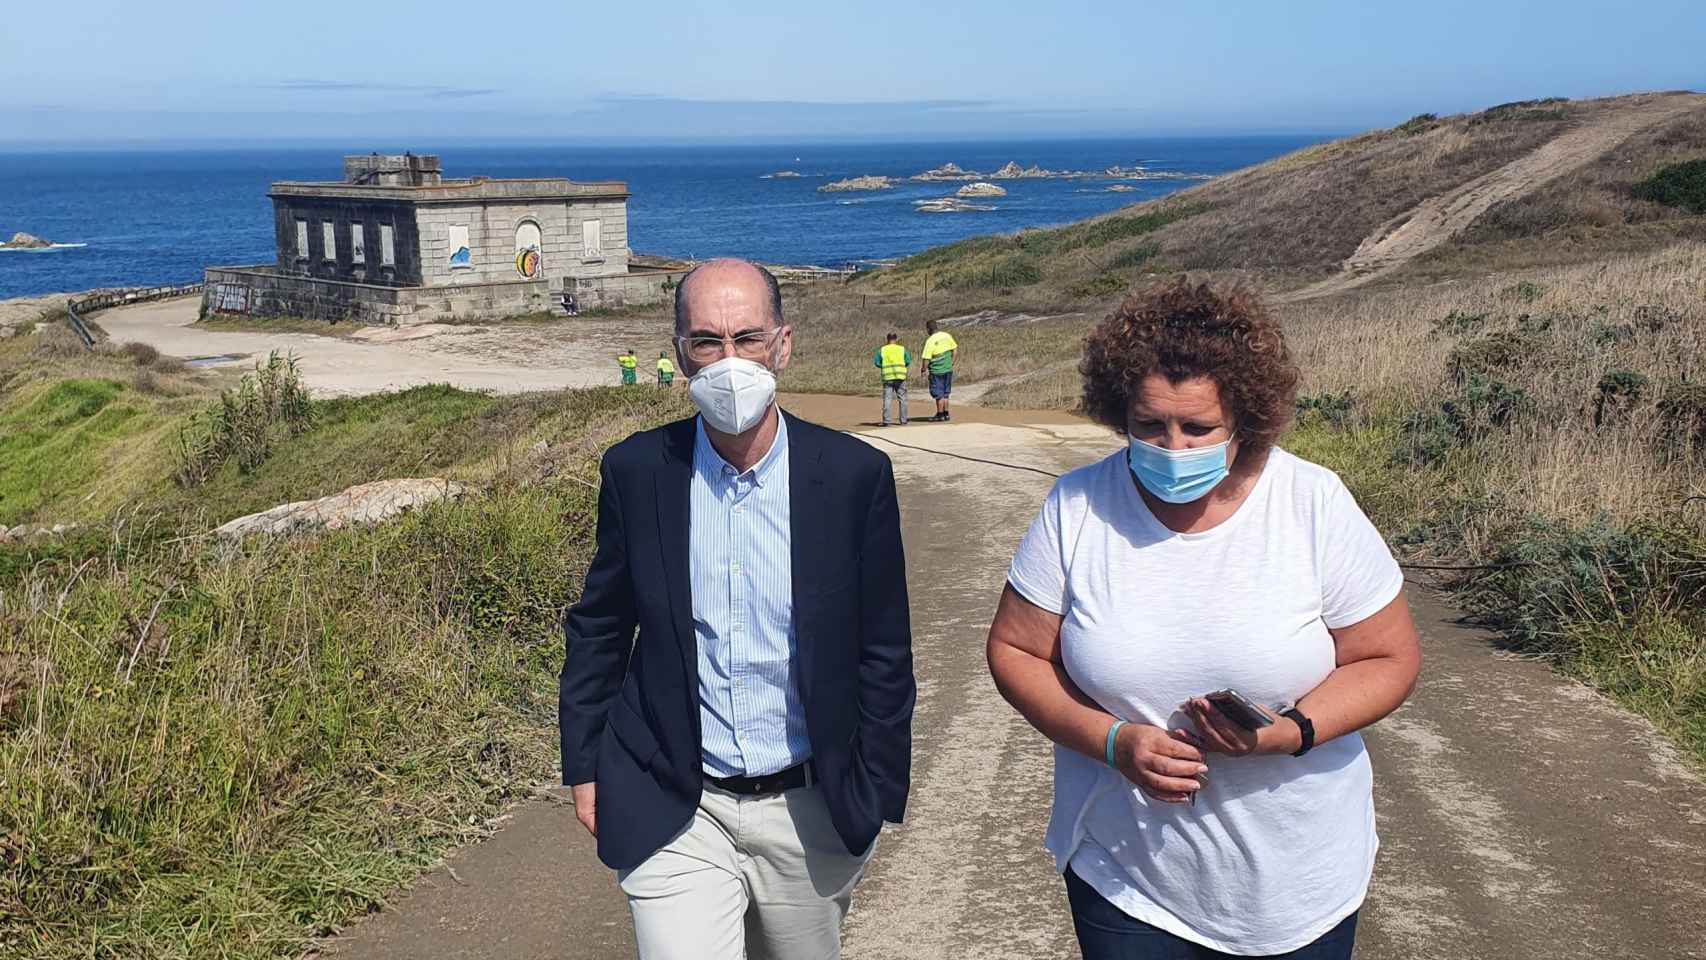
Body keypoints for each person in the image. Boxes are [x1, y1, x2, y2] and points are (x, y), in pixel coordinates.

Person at [985, 278, 1421, 959]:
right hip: (1126, 871)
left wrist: (1291, 732)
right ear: (1118, 413)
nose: (1174, 447)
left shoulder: (1312, 503)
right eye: (1149, 426)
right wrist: (1112, 742)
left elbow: (1388, 657)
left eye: (1198, 428)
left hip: (1299, 880)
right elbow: (1015, 650)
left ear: (1245, 419)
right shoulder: (1078, 506)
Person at [560, 258, 915, 960]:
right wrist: (585, 763)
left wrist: (875, 787)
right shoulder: (636, 471)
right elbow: (600, 624)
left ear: (782, 345)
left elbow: (883, 645)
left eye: (747, 339)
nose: (729, 362)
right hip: (677, 802)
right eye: (706, 342)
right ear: (678, 354)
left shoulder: (852, 476)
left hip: (808, 806)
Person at [920, 319, 958, 422]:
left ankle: (940, 414)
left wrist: (923, 369)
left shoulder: (930, 341)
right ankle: (946, 413)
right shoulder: (946, 336)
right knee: (946, 393)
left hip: (937, 371)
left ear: (928, 329)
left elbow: (926, 359)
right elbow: (955, 349)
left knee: (938, 394)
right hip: (948, 369)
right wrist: (952, 362)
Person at [873, 331, 910, 426]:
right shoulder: (902, 349)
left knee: (887, 399)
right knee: (902, 399)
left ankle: (886, 421)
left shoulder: (882, 350)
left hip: (888, 377)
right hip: (900, 377)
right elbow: (907, 361)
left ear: (887, 339)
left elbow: (877, 362)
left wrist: (884, 366)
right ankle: (903, 420)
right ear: (896, 339)